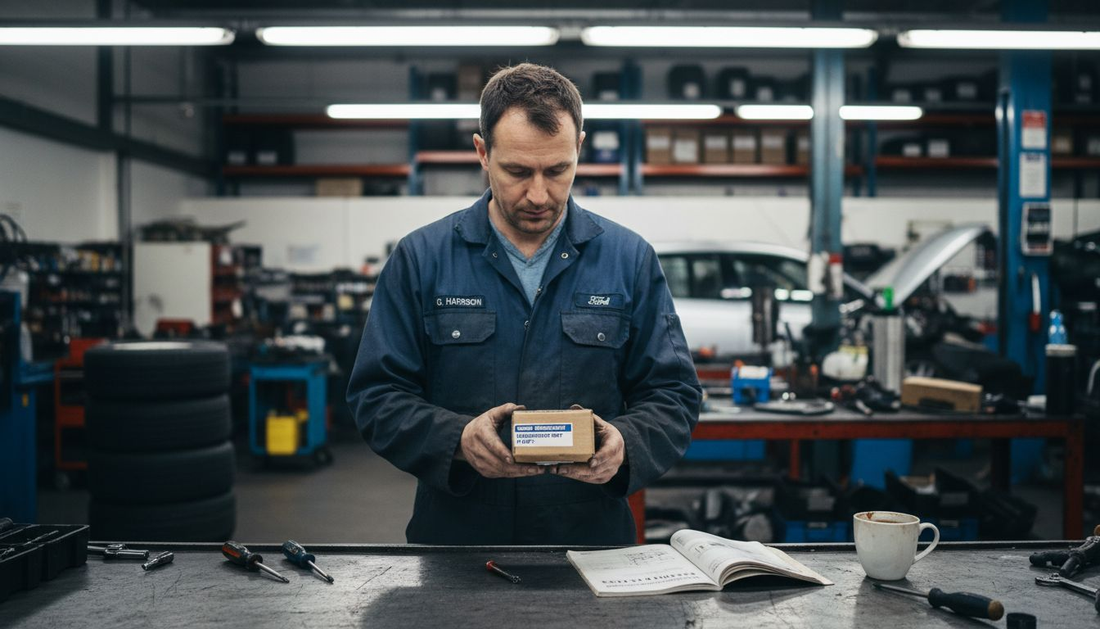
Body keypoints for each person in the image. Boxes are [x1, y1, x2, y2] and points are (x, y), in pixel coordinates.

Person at [347, 63, 701, 545]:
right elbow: (377, 396)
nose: (538, 194)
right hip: (457, 542)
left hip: (590, 542)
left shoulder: (628, 259)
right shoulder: (421, 259)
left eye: (558, 170)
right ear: (482, 153)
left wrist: (628, 444)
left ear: (579, 149)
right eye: (517, 171)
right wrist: (456, 440)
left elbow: (673, 394)